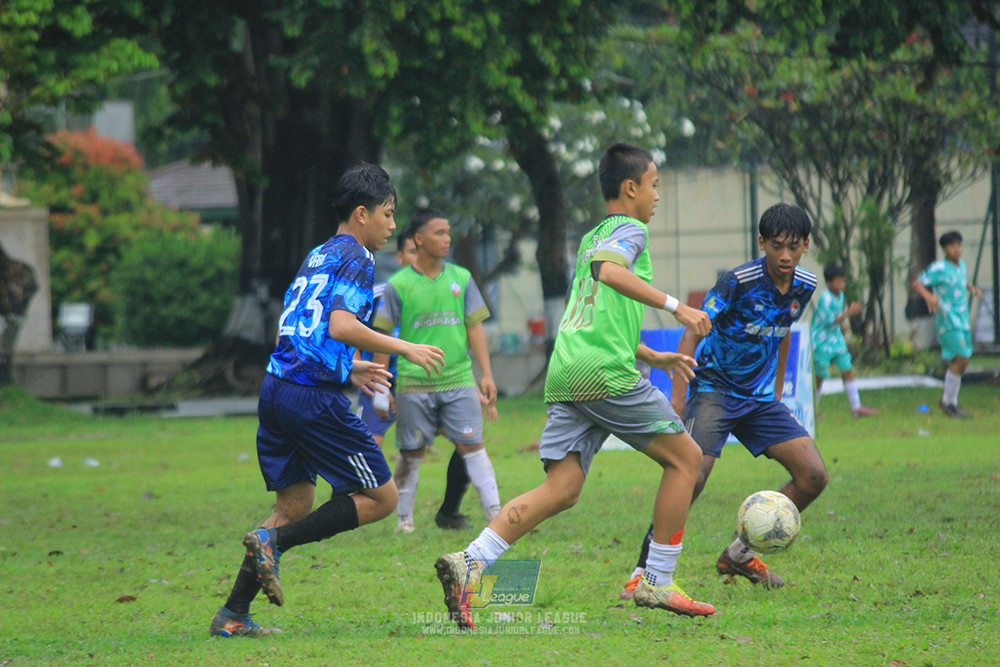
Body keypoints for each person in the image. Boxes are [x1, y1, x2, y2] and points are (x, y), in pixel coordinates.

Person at [434, 142, 717, 630]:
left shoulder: (594, 236)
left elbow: (592, 313)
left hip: (568, 371)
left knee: (561, 489)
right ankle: (658, 581)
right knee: (687, 460)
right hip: (603, 373)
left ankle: (470, 563)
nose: (656, 197)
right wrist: (678, 306)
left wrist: (651, 353)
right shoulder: (631, 230)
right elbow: (609, 275)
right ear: (630, 188)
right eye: (654, 186)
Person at [209, 163, 445, 638]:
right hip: (309, 400)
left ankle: (232, 614)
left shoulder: (318, 254)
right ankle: (270, 542)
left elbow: (300, 326)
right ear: (362, 214)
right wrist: (405, 347)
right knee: (381, 497)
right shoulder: (358, 257)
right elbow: (339, 325)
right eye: (388, 214)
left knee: (294, 503)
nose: (394, 226)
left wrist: (347, 367)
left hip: (277, 390)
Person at [620, 202, 826, 600]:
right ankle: (642, 571)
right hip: (715, 387)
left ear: (805, 245)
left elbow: (783, 329)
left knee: (813, 476)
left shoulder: (805, 284)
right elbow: (694, 331)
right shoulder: (738, 281)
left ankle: (739, 554)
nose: (785, 256)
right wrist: (677, 400)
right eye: (777, 246)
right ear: (762, 243)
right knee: (691, 475)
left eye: (794, 247)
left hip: (759, 399)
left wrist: (779, 387)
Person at [373, 207, 501, 534]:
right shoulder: (397, 285)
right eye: (439, 233)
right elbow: (383, 337)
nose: (447, 239)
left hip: (458, 380)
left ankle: (495, 516)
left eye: (448, 233)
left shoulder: (462, 279)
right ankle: (405, 520)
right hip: (413, 384)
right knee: (411, 452)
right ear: (419, 239)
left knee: (474, 447)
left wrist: (485, 374)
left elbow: (475, 328)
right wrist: (380, 386)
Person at [912, 230, 983, 419]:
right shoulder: (938, 268)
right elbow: (917, 283)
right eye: (952, 246)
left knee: (958, 361)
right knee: (962, 358)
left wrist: (971, 288)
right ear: (944, 249)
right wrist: (929, 297)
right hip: (948, 319)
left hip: (963, 319)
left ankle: (949, 402)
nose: (956, 249)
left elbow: (958, 281)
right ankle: (949, 402)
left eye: (958, 245)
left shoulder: (961, 266)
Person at [811, 263, 877, 418]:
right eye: (838, 281)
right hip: (821, 341)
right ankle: (813, 410)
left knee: (847, 368)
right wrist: (848, 314)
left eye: (842, 281)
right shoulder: (825, 299)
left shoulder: (839, 296)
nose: (842, 284)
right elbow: (828, 321)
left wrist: (843, 325)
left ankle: (856, 407)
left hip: (835, 339)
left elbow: (838, 317)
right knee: (819, 376)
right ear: (829, 283)